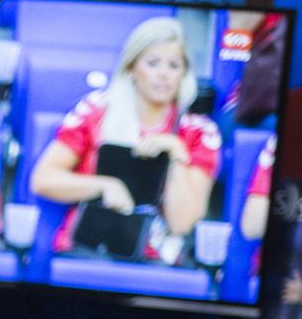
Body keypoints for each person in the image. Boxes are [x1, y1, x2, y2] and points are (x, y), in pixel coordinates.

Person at [29, 16, 219, 261]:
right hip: (87, 248)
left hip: (154, 258)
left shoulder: (198, 131)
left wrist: (176, 154)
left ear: (184, 74)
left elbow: (181, 224)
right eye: (153, 63)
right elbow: (43, 180)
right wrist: (106, 186)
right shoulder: (95, 110)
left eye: (174, 65)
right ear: (132, 68)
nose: (163, 74)